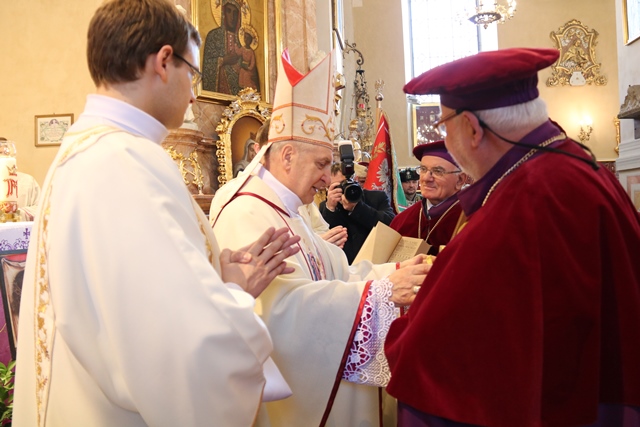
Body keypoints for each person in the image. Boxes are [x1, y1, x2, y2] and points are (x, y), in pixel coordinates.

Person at [13, 1, 301, 425]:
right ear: (164, 62)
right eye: (193, 73)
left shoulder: (84, 150)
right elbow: (178, 348)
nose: (194, 93)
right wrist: (234, 290)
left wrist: (210, 272)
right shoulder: (125, 161)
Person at [385, 47, 640, 426]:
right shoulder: (578, 163)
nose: (447, 139)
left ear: (472, 128)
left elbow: (433, 352)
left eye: (444, 127)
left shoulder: (523, 201)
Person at [210, 49, 429, 426]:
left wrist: (392, 275)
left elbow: (338, 277)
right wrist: (379, 293)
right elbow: (278, 316)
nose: (329, 179)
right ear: (287, 156)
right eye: (322, 165)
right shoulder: (246, 214)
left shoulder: (290, 210)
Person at [390, 141, 466, 255]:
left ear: (460, 180)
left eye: (438, 171)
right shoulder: (402, 220)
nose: (426, 178)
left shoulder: (473, 218)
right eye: (423, 169)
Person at [320, 162, 395, 263]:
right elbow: (325, 239)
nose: (342, 189)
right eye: (336, 187)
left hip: (375, 261)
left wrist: (357, 208)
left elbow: (391, 224)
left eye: (344, 184)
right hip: (344, 265)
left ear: (355, 180)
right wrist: (330, 208)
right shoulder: (326, 206)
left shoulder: (377, 197)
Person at [202, 0, 242, 94]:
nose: (232, 17)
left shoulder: (242, 40)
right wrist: (223, 60)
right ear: (223, 13)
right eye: (229, 11)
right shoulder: (213, 36)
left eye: (235, 13)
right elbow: (207, 65)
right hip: (219, 91)